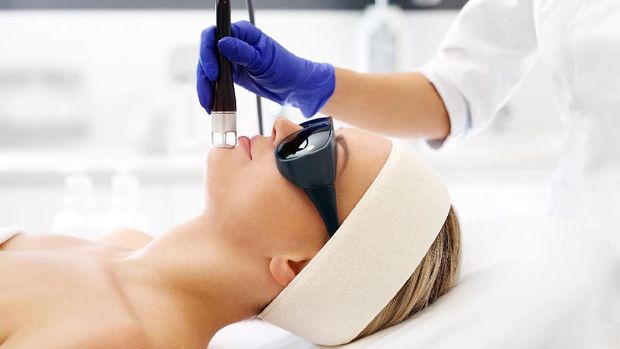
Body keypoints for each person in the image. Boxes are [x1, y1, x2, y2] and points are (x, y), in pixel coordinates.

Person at [197, 0, 620, 251]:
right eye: (317, 146)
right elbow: (453, 93)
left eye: (326, 154)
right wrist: (308, 84)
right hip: (587, 243)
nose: (288, 126)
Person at [0, 118, 460, 348]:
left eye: (313, 153)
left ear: (298, 265)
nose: (283, 124)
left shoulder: (115, 339)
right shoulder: (124, 244)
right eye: (315, 126)